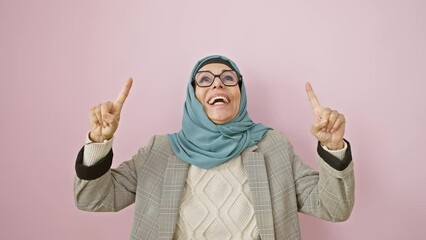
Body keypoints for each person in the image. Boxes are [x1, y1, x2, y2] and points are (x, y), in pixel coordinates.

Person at [74, 55, 354, 240]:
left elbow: (333, 208)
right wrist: (99, 142)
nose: (217, 83)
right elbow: (93, 199)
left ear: (240, 92)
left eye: (228, 78)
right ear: (193, 95)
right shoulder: (158, 151)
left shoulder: (273, 146)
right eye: (205, 79)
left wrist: (333, 148)